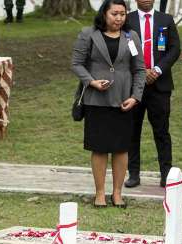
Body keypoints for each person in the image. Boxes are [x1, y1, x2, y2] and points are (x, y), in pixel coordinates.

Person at [71, 0, 145, 208]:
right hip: (97, 101)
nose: (119, 18)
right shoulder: (88, 34)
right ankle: (100, 193)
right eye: (114, 14)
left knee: (121, 149)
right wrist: (91, 81)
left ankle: (118, 193)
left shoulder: (132, 37)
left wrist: (135, 96)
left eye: (122, 14)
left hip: (124, 101)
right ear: (104, 13)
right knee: (100, 148)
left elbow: (139, 69)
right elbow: (76, 64)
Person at [124, 0, 180, 189]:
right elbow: (124, 49)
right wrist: (141, 71)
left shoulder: (166, 19)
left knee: (162, 132)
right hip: (134, 86)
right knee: (132, 131)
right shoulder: (127, 20)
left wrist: (156, 70)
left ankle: (166, 175)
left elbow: (174, 49)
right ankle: (133, 174)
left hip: (160, 85)